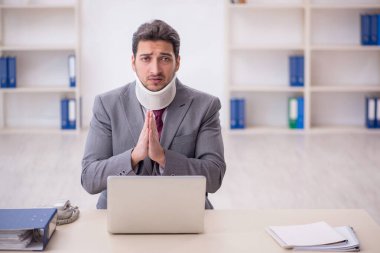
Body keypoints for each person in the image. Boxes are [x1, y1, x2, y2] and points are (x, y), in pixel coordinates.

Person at [81, 20, 226, 209]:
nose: (155, 69)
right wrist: (133, 157)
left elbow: (214, 177)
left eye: (165, 58)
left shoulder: (205, 106)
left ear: (177, 62)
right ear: (133, 62)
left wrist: (164, 158)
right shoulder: (107, 105)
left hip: (185, 210)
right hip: (122, 211)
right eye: (146, 58)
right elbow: (89, 178)